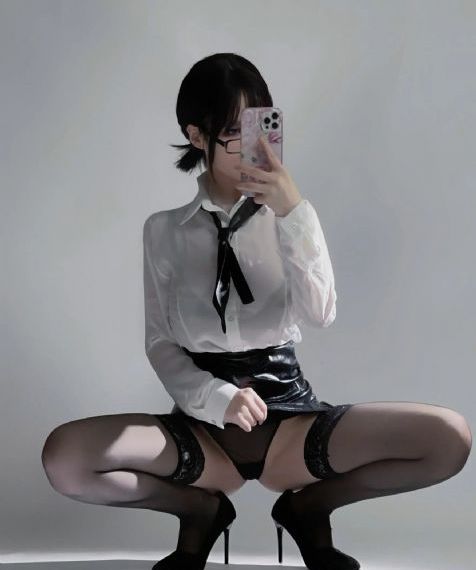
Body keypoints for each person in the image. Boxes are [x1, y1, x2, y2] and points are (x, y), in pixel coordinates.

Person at [40, 52, 472, 570]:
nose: (253, 145)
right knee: (66, 459)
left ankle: (309, 508)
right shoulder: (164, 231)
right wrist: (216, 397)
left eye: (260, 125)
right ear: (196, 136)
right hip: (202, 429)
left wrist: (294, 215)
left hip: (290, 420)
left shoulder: (290, 218)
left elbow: (321, 313)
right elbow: (160, 342)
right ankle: (199, 510)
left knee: (448, 439)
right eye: (233, 132)